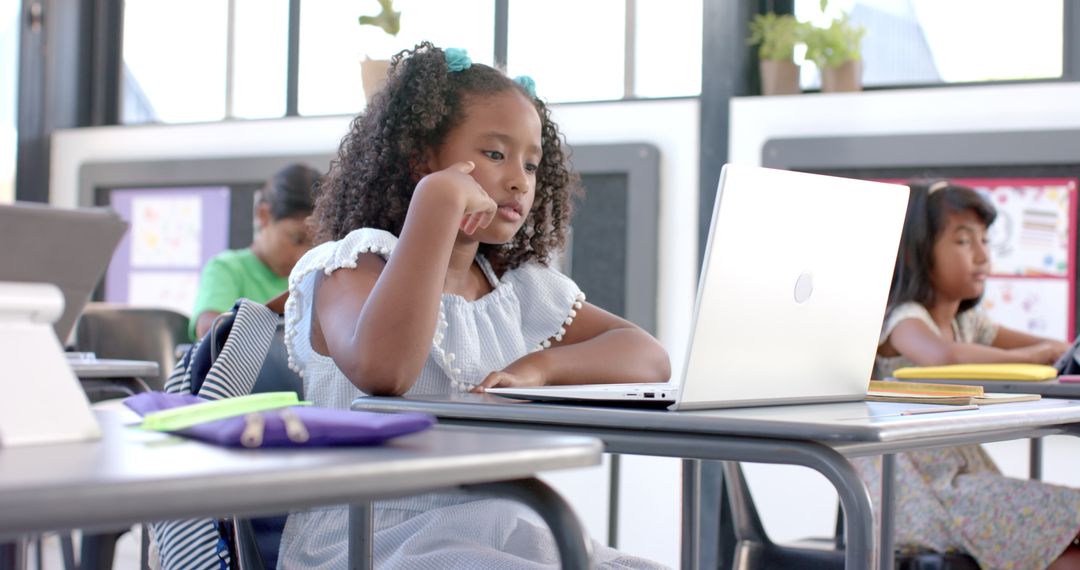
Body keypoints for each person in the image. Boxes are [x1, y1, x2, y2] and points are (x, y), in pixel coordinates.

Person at [278, 43, 671, 568]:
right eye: (494, 154)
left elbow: (647, 356)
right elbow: (384, 370)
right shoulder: (352, 265)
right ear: (421, 159)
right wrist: (437, 202)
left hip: (491, 526)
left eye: (531, 164)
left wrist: (540, 367)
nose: (518, 180)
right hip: (364, 538)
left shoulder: (517, 290)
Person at [859, 179, 1080, 569]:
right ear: (917, 254)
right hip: (922, 495)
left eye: (985, 241)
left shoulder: (970, 323)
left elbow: (1056, 347)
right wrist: (1039, 353)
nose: (981, 255)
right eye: (963, 241)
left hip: (964, 481)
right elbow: (942, 357)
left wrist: (1058, 352)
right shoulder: (902, 320)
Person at [189, 163, 320, 339]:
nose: (303, 254)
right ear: (263, 215)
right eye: (297, 239)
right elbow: (209, 332)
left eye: (315, 243)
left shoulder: (315, 279)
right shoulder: (227, 269)